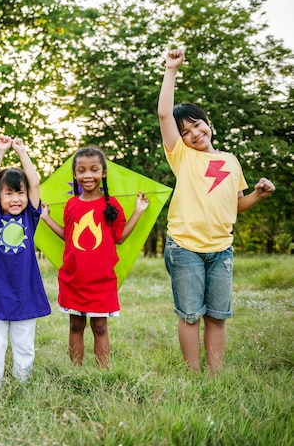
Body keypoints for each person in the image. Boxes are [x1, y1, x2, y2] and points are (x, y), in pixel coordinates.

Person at [157, 49, 276, 374]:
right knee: (190, 314)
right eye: (186, 132)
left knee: (217, 316)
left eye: (197, 126)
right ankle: (194, 374)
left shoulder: (230, 161)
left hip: (221, 249)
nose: (194, 134)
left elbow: (236, 203)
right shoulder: (182, 156)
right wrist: (171, 70)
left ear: (208, 123)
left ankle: (214, 375)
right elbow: (165, 115)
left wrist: (258, 194)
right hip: (185, 247)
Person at [41, 147, 149, 368]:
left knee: (100, 326)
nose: (87, 175)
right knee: (76, 325)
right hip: (73, 278)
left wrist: (138, 211)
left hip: (102, 279)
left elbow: (119, 237)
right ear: (74, 175)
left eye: (93, 170)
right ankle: (75, 371)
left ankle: (103, 371)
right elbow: (68, 235)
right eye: (81, 170)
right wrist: (46, 219)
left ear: (104, 173)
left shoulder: (111, 205)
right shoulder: (71, 205)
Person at [0, 135, 51, 386]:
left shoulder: (31, 216)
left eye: (19, 192)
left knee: (24, 341)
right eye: (8, 193)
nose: (15, 198)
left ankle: (22, 381)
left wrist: (22, 152)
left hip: (25, 290)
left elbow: (35, 182)